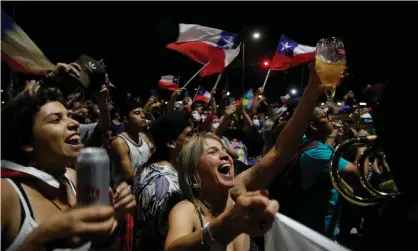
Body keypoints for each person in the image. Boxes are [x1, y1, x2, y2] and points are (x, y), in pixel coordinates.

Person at [165, 64, 326, 251]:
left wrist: (311, 92)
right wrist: (230, 223)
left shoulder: (238, 190)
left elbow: (280, 152)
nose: (225, 154)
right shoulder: (187, 210)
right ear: (193, 173)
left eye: (223, 149)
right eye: (212, 152)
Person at [1, 79, 136, 250]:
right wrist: (45, 235)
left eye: (68, 116)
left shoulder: (74, 178)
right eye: (56, 120)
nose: (75, 124)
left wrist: (113, 220)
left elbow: (93, 244)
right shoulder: (6, 194)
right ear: (26, 142)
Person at [132, 111, 194, 251]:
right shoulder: (173, 188)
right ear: (171, 143)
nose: (196, 140)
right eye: (189, 135)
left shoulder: (145, 167)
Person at [110, 99, 153, 185]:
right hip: (128, 194)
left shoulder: (144, 137)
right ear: (126, 119)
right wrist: (154, 174)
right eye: (137, 113)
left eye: (142, 113)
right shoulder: (120, 143)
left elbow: (151, 163)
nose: (143, 115)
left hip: (145, 186)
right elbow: (129, 176)